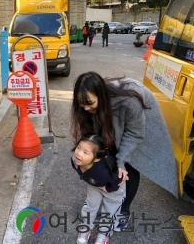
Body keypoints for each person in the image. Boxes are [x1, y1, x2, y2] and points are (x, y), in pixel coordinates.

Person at [71, 71, 178, 230]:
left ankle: (124, 210)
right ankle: (112, 205)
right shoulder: (91, 104)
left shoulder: (129, 101)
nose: (85, 108)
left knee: (130, 165)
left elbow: (135, 133)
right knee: (108, 155)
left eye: (89, 103)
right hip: (111, 111)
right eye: (81, 103)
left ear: (101, 95)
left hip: (143, 119)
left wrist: (121, 161)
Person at [71, 135, 125, 244]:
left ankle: (104, 233)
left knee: (110, 210)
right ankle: (86, 227)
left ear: (96, 158)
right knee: (91, 205)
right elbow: (81, 173)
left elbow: (119, 180)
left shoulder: (104, 172)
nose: (78, 153)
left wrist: (107, 188)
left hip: (113, 188)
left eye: (85, 152)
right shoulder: (75, 160)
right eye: (78, 148)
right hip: (94, 183)